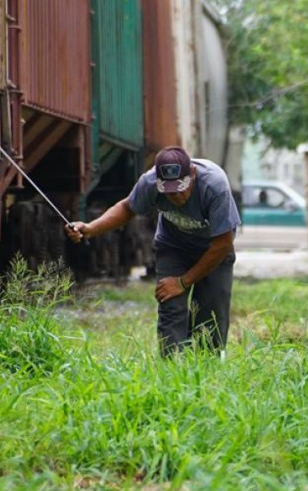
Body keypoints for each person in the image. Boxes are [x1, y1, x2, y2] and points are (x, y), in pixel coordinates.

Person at [65, 147, 240, 356]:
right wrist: (91, 228)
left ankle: (208, 367)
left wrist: (183, 282)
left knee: (210, 313)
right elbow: (127, 208)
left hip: (214, 249)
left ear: (192, 173)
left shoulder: (214, 185)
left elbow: (222, 243)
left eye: (181, 188)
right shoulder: (149, 182)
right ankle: (172, 369)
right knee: (170, 305)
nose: (176, 196)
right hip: (174, 247)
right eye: (169, 190)